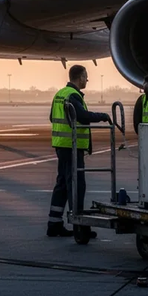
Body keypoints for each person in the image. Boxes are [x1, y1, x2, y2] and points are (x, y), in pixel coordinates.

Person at [47, 64, 111, 238]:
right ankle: (79, 225)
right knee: (76, 185)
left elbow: (52, 117)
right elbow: (82, 116)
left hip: (61, 145)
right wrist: (102, 116)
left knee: (62, 183)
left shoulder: (60, 94)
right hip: (71, 146)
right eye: (85, 77)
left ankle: (54, 223)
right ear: (79, 77)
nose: (87, 80)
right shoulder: (73, 95)